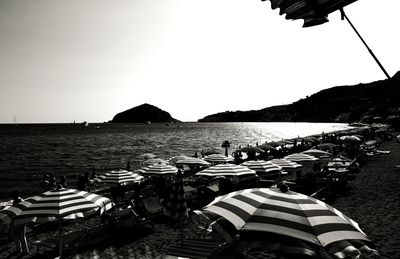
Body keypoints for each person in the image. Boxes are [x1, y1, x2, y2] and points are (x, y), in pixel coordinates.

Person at [10, 190, 29, 255]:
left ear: (16, 195)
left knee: (21, 236)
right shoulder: (16, 201)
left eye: (13, 196)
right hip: (18, 220)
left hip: (21, 220)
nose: (12, 197)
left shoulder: (20, 201)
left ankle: (24, 250)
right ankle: (20, 249)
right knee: (17, 236)